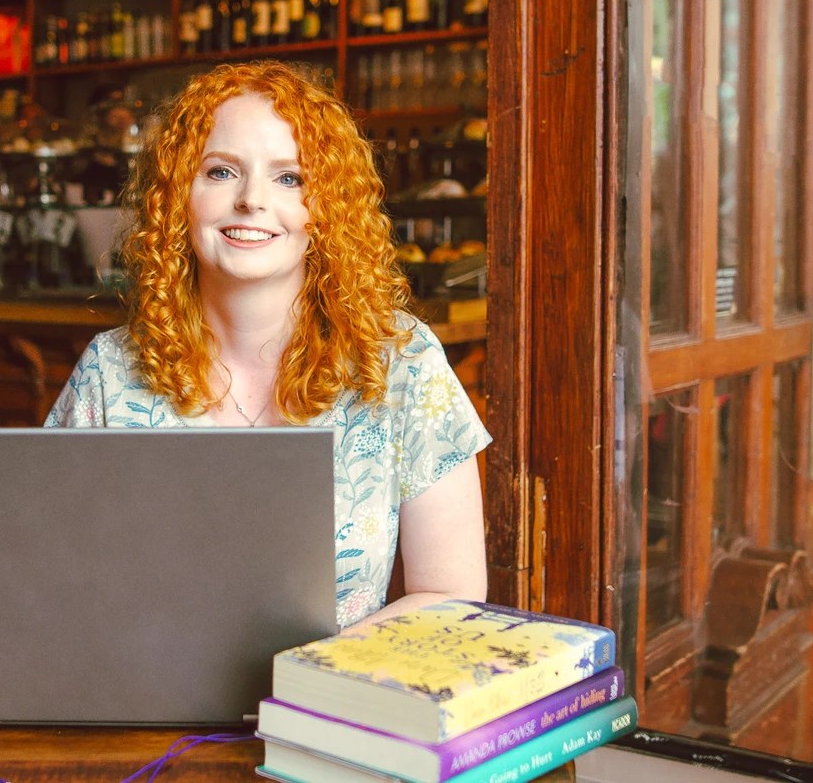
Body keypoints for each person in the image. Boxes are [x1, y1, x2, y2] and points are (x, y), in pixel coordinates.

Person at [45, 60, 488, 629]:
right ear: (178, 194)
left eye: (289, 178)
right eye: (221, 172)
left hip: (335, 704)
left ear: (327, 208)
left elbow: (450, 595)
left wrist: (308, 681)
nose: (252, 200)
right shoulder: (109, 372)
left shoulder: (402, 362)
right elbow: (52, 578)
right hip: (148, 709)